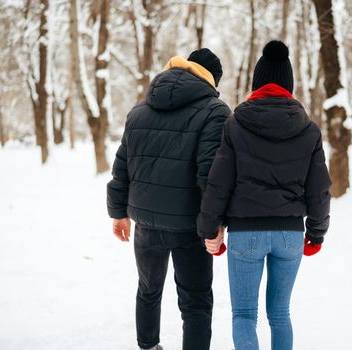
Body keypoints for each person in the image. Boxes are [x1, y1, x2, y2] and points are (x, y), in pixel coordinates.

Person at [197, 41, 332, 350]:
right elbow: (319, 189)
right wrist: (316, 233)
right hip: (290, 235)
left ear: (256, 84)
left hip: (246, 235)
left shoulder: (235, 124)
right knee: (280, 313)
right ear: (290, 85)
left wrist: (209, 229)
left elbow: (218, 183)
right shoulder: (309, 130)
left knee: (244, 315)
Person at [107, 48, 231, 350]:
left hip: (146, 222)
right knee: (197, 302)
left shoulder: (139, 111)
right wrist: (214, 224)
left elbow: (122, 164)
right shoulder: (215, 112)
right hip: (190, 226)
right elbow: (209, 177)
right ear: (211, 79)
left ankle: (148, 346)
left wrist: (118, 212)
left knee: (148, 289)